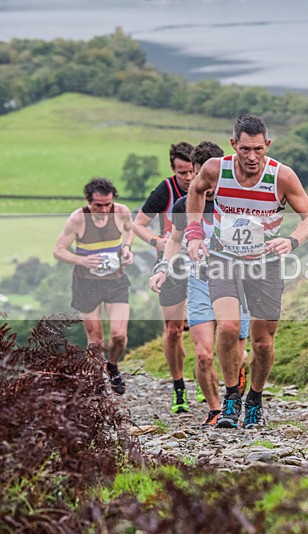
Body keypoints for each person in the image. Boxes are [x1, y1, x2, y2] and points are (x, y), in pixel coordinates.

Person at [186, 114, 308, 429]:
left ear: (267, 146)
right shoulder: (215, 170)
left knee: (262, 342)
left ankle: (255, 398)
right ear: (233, 145)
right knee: (229, 327)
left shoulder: (282, 177)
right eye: (245, 149)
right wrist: (194, 234)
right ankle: (232, 395)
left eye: (258, 149)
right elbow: (195, 191)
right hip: (223, 257)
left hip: (265, 263)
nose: (251, 157)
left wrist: (291, 240)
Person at [149, 141, 251, 428]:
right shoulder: (184, 205)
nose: (205, 183)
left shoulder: (238, 201)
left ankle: (237, 381)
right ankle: (216, 409)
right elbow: (175, 241)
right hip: (200, 284)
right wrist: (163, 268)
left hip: (236, 284)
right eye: (197, 174)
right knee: (205, 355)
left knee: (237, 354)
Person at [53, 177, 135, 394]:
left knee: (118, 335)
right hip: (86, 283)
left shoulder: (121, 211)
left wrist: (127, 248)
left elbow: (131, 229)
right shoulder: (77, 219)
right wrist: (82, 260)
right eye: (98, 205)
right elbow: (58, 250)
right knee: (96, 341)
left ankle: (113, 365)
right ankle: (97, 382)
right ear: (88, 201)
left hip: (116, 281)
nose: (104, 209)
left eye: (108, 204)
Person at [133, 142, 195, 413]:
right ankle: (178, 388)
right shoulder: (165, 190)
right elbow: (138, 224)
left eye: (192, 170)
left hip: (204, 265)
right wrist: (157, 242)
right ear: (173, 169)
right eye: (182, 172)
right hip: (170, 263)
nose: (189, 177)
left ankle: (210, 381)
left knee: (210, 326)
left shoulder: (209, 187)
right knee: (173, 330)